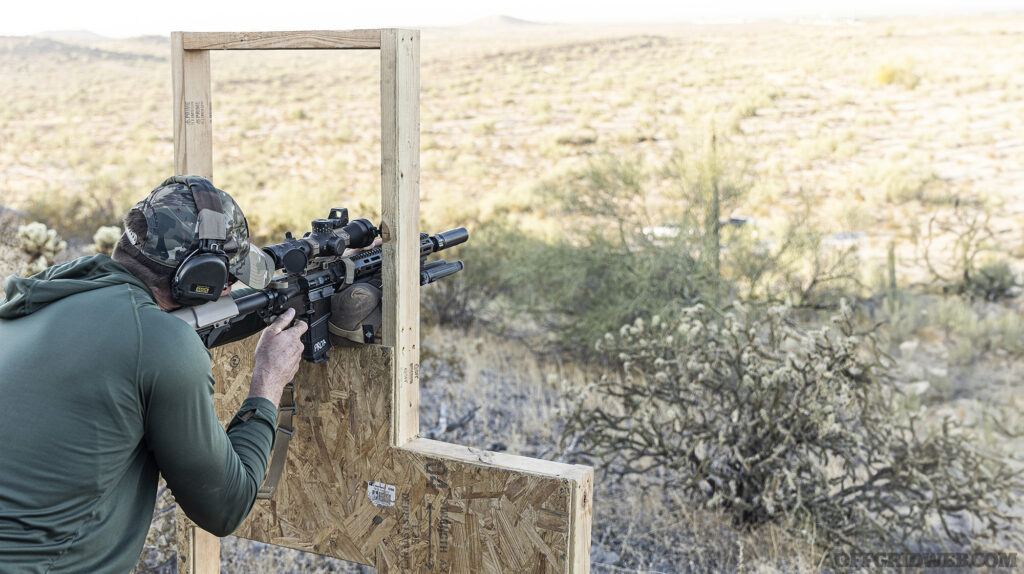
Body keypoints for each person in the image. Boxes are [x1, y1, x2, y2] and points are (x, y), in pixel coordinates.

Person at [0, 175, 306, 573]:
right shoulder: (160, 343)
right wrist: (267, 381)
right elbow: (225, 508)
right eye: (227, 279)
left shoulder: (37, 305)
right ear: (202, 279)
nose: (230, 290)